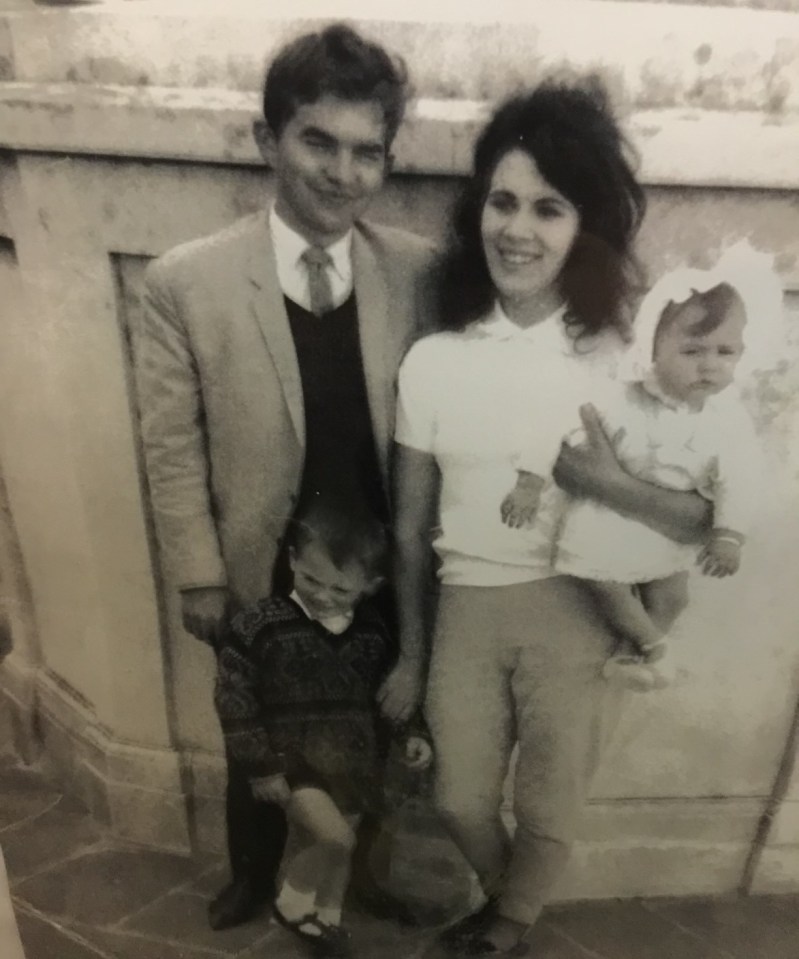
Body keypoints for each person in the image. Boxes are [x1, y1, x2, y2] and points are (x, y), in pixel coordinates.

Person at [393, 78, 713, 958]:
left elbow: (700, 514)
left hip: (572, 610)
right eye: (501, 202)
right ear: (476, 213)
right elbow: (408, 532)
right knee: (457, 797)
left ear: (585, 227)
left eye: (548, 207)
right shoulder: (432, 360)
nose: (517, 229)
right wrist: (414, 653)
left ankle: (507, 927)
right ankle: (512, 903)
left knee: (548, 798)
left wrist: (606, 484)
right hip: (463, 607)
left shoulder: (622, 366)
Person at [133, 23, 439, 931]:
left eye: (366, 152)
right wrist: (197, 568)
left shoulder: (415, 273)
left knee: (369, 732)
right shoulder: (186, 283)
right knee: (257, 728)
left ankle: (365, 870)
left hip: (374, 562)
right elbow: (171, 442)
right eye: (318, 142)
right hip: (263, 558)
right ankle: (253, 871)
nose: (342, 173)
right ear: (268, 141)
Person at [501, 249, 774, 691]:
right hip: (609, 522)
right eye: (692, 350)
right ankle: (654, 644)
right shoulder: (622, 398)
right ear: (654, 348)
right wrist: (529, 481)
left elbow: (742, 478)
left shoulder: (728, 419)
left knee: (674, 595)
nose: (709, 364)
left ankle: (630, 657)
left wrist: (729, 534)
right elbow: (555, 426)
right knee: (605, 580)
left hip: (666, 528)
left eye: (725, 352)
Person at [214, 500, 431, 957]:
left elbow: (388, 697)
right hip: (292, 761)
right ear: (292, 560)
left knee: (342, 852)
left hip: (352, 765)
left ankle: (322, 923)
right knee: (336, 838)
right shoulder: (258, 627)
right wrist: (262, 767)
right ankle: (292, 904)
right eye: (311, 579)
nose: (323, 595)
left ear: (370, 587)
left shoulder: (373, 636)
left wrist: (413, 733)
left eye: (341, 589)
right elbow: (234, 702)